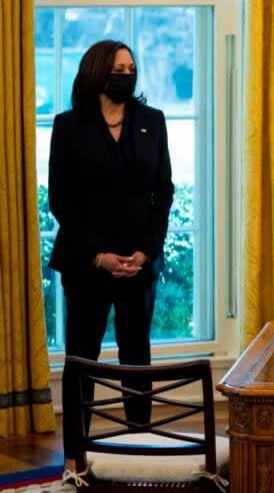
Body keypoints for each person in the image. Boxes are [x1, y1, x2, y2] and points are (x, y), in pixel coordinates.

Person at [48, 39, 173, 434]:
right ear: (98, 72)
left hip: (139, 263)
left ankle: (142, 443)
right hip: (87, 263)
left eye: (131, 69)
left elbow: (163, 192)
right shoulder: (68, 126)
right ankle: (75, 454)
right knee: (81, 358)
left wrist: (145, 252)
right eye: (119, 69)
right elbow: (60, 201)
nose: (127, 75)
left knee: (136, 356)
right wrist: (98, 255)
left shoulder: (152, 120)